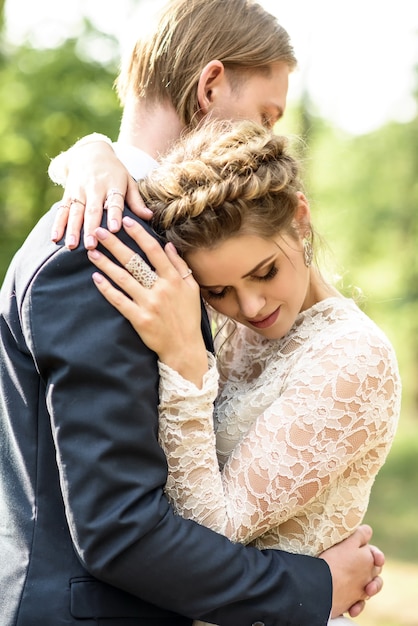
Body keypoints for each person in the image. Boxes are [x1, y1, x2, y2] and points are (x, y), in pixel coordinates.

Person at [0, 0, 384, 624]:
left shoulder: (159, 235)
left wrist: (90, 151)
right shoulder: (105, 247)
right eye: (265, 115)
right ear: (209, 85)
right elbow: (121, 529)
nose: (265, 142)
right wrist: (312, 586)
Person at [86, 119, 402, 625]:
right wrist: (94, 152)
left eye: (265, 272)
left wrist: (187, 364)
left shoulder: (354, 359)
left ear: (300, 219)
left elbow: (214, 533)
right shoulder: (231, 328)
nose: (250, 305)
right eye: (218, 292)